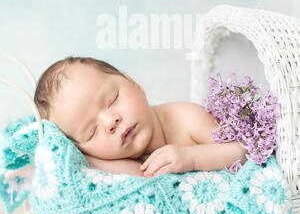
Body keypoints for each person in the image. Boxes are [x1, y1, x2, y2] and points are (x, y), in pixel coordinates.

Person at [33, 56, 247, 178]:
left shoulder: (186, 118)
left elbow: (243, 151)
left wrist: (191, 158)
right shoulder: (113, 163)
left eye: (112, 100)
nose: (110, 122)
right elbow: (141, 179)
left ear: (134, 84)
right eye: (91, 132)